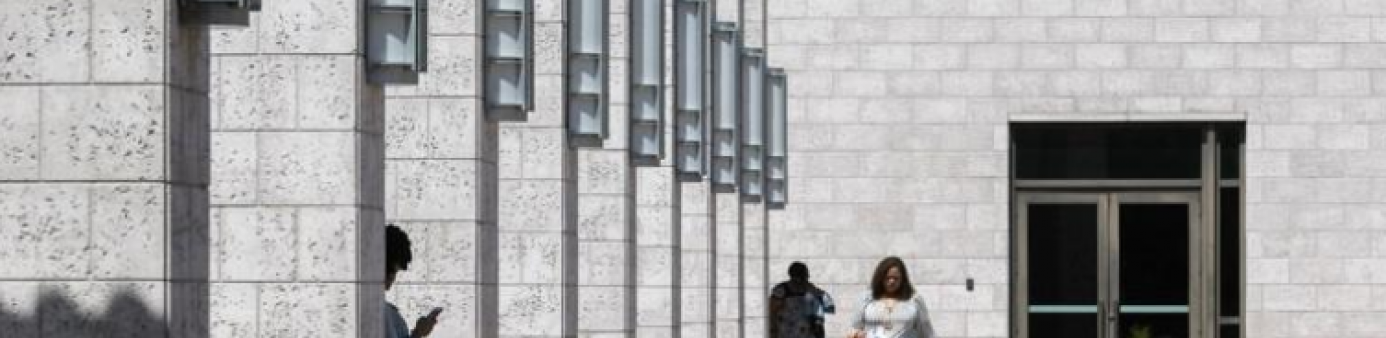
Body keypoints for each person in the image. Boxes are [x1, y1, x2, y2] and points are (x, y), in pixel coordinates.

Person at [847, 257, 936, 338]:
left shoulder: (914, 300)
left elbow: (927, 333)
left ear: (902, 279)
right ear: (880, 277)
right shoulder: (865, 299)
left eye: (896, 278)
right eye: (888, 277)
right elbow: (854, 329)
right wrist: (856, 334)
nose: (891, 281)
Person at [386, 224, 441, 338]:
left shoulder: (389, 314)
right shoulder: (383, 314)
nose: (390, 283)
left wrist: (418, 333)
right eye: (392, 273)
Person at [769, 262, 835, 338]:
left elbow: (826, 304)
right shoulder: (782, 290)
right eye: (804, 276)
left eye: (805, 276)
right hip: (786, 333)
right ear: (794, 276)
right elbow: (772, 312)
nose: (806, 279)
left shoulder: (810, 288)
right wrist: (772, 331)